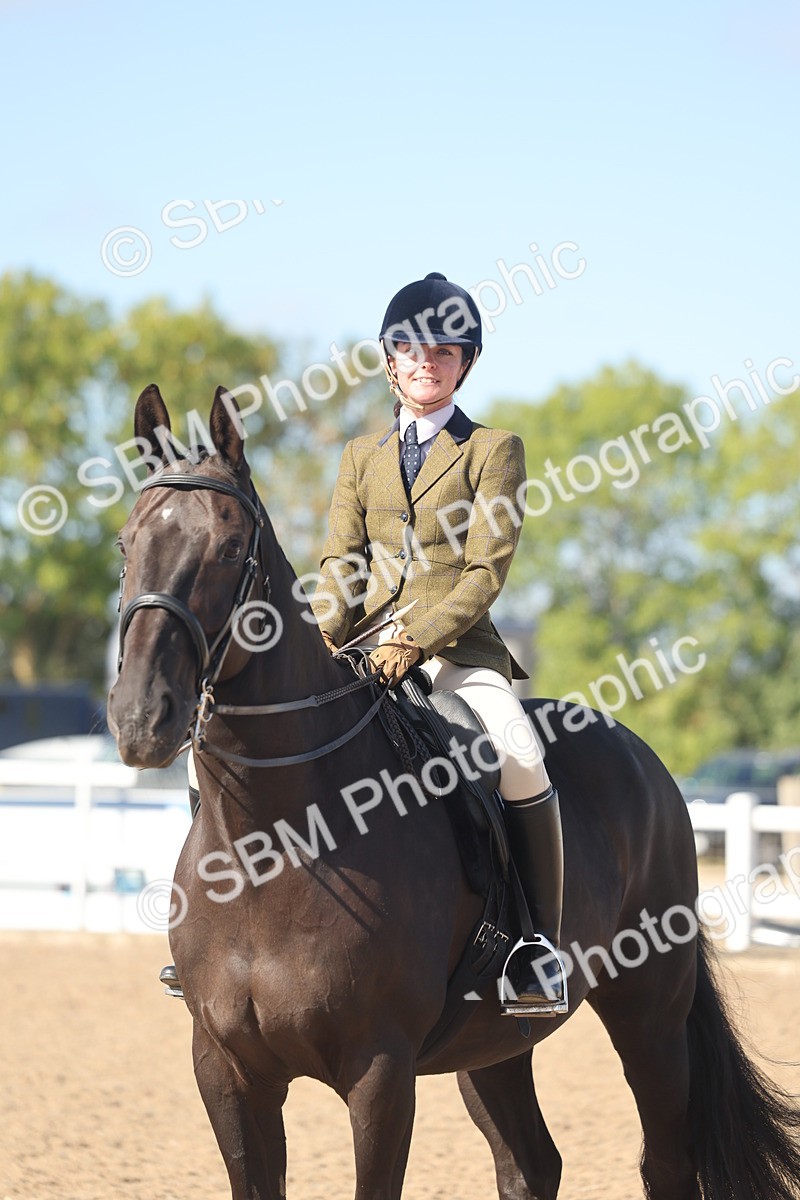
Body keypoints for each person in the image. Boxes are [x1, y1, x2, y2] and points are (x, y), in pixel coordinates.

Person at [311, 272, 567, 1016]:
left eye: (445, 351)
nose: (428, 362)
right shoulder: (361, 455)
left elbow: (487, 570)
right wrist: (326, 638)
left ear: (466, 362)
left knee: (519, 752)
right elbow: (340, 563)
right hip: (362, 647)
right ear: (390, 360)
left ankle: (534, 946)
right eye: (412, 350)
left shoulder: (494, 449)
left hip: (457, 653)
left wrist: (416, 641)